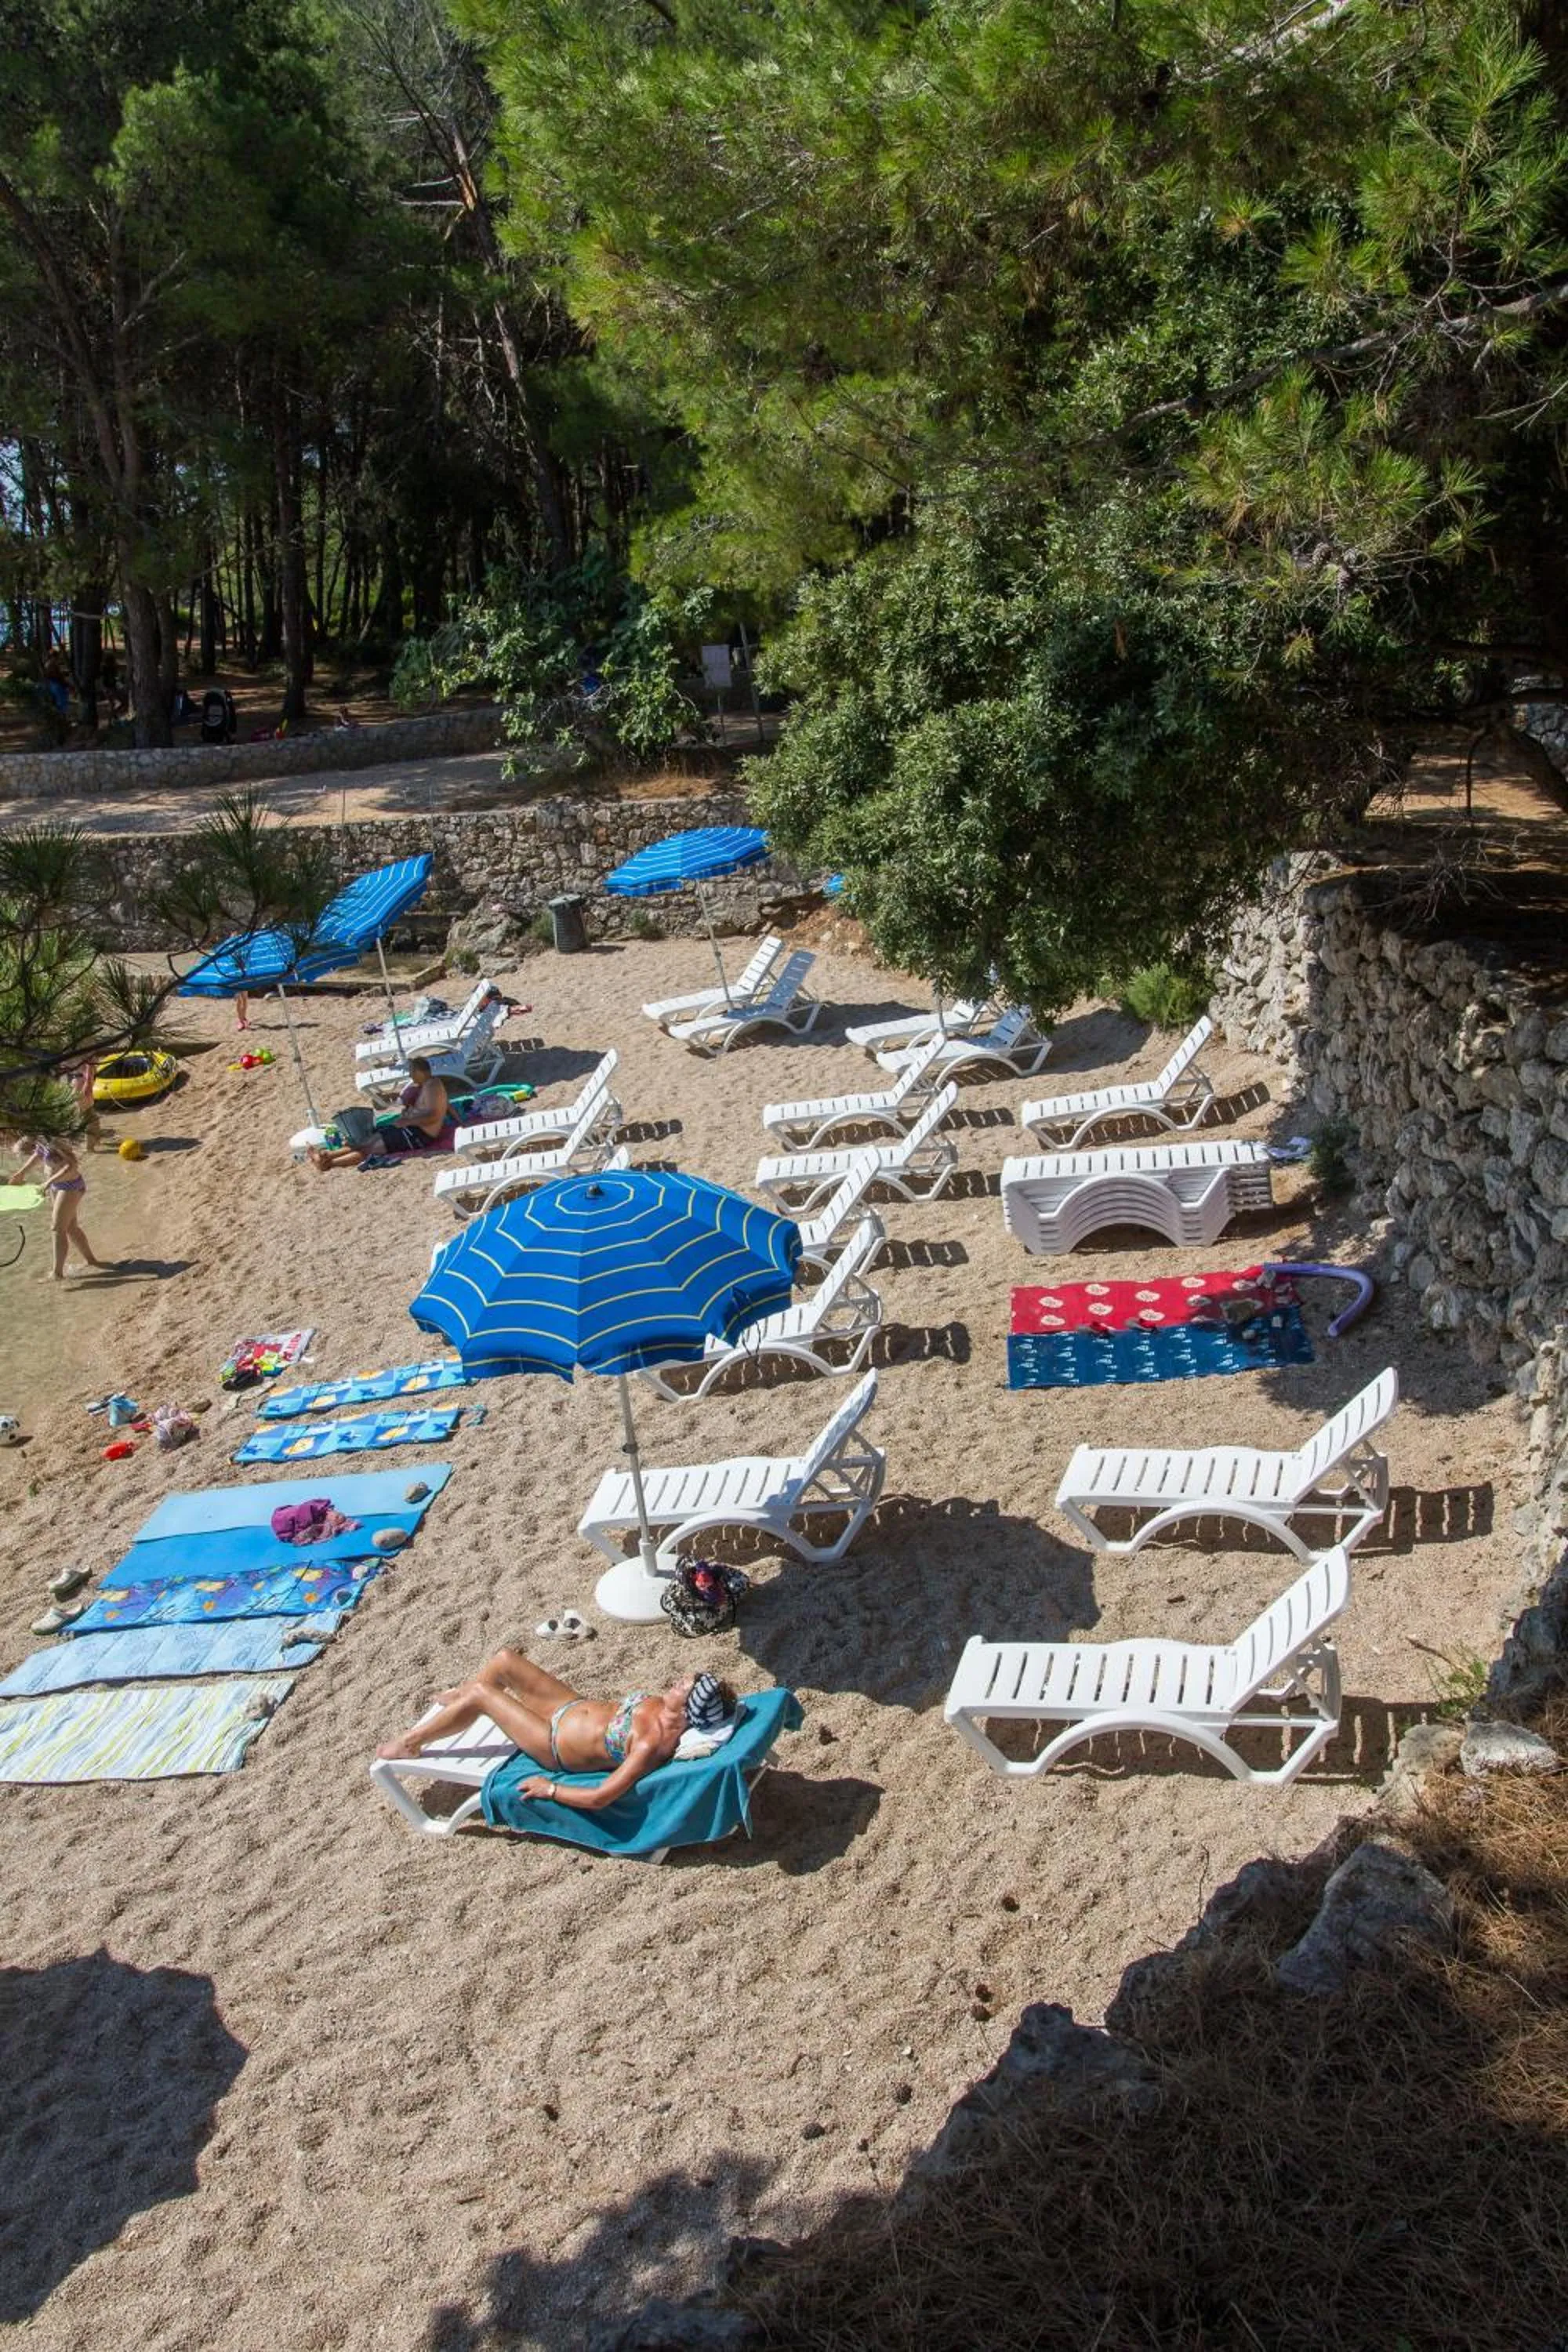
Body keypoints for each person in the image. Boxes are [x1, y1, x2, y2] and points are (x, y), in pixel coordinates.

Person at [376, 1653, 735, 1809]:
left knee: (482, 1695)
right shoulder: (663, 1707)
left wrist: (550, 1789)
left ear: (689, 1710)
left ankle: (412, 1742)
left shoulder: (651, 1742)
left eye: (681, 1686)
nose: (675, 1682)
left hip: (552, 1743)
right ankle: (462, 1698)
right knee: (504, 1661)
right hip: (566, 1707)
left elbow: (601, 1796)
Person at [308, 1054, 451, 1171]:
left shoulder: (433, 1088)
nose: (410, 1075)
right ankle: (326, 1155)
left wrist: (408, 1121)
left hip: (419, 1135)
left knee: (370, 1149)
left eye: (412, 1072)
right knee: (367, 1140)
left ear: (419, 1072)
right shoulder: (428, 1084)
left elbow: (434, 1116)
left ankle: (328, 1164)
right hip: (411, 1129)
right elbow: (445, 1106)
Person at [10, 1134, 104, 1280]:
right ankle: (92, 1261)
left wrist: (48, 1182)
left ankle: (57, 1274)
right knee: (71, 1228)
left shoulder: (55, 1139)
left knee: (57, 1228)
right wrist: (21, 1173)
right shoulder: (41, 1134)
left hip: (70, 1186)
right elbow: (39, 1153)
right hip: (57, 1186)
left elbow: (71, 1165)